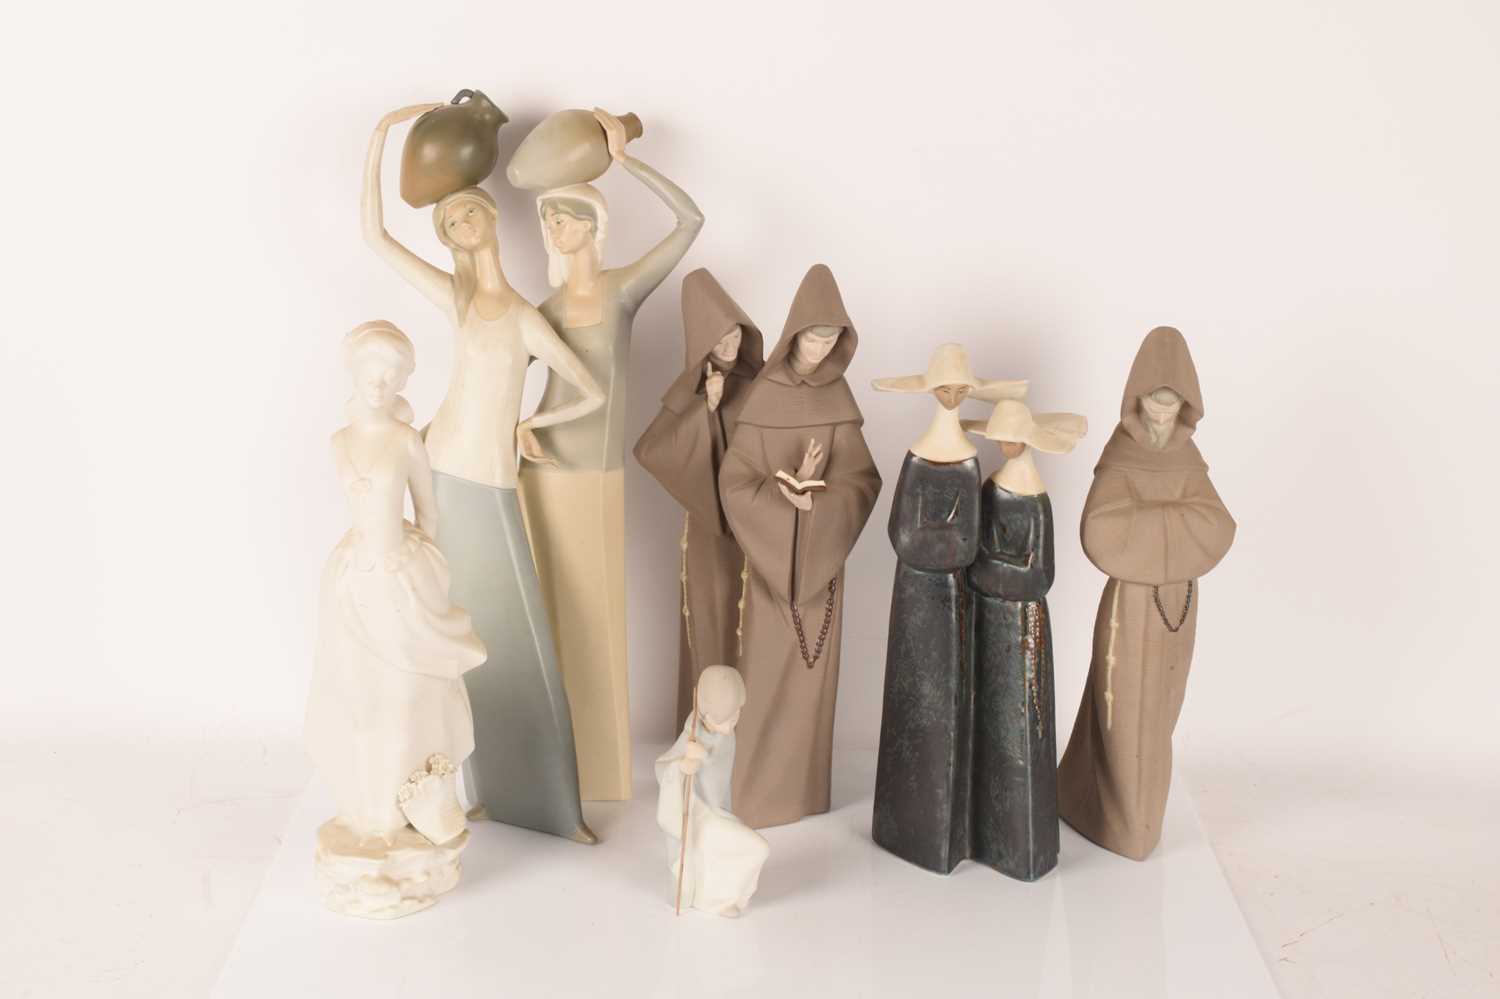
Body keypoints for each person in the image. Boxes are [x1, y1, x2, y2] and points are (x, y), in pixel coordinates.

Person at [361, 103, 604, 843]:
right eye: (451, 223)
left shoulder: (526, 317)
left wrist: (532, 423)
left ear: (491, 217)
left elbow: (589, 390)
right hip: (439, 467)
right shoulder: (458, 299)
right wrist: (380, 137)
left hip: (491, 478)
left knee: (518, 633)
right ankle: (486, 791)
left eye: (470, 215)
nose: (463, 226)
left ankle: (555, 809)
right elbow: (374, 237)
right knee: (461, 635)